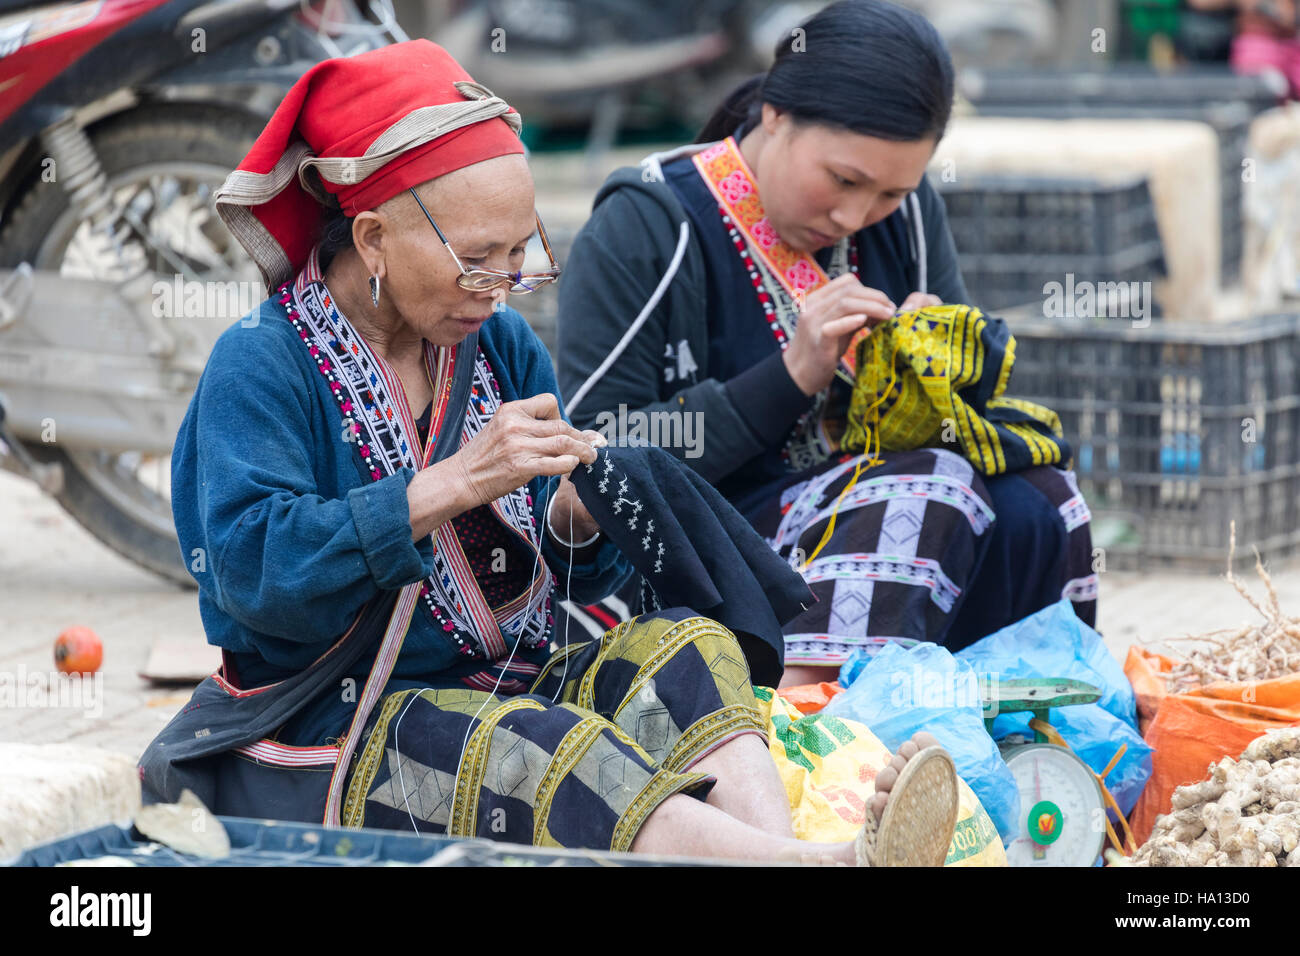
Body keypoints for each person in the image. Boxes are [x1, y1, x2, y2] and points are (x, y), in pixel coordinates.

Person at [143, 38, 959, 865]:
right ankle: (824, 866)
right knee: (546, 751)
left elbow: (566, 567)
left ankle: (776, 855)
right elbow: (250, 575)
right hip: (335, 722)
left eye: (516, 257)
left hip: (507, 683)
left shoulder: (496, 346)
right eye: (475, 261)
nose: (499, 289)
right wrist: (453, 483)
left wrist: (575, 517)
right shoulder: (262, 364)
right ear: (376, 236)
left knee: (685, 648)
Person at [555, 0, 1098, 687]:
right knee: (931, 483)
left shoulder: (911, 214)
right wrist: (788, 377)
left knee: (1038, 497)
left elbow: (966, 420)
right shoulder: (650, 224)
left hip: (899, 520)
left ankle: (1029, 722)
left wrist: (942, 359)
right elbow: (602, 456)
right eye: (843, 181)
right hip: (698, 560)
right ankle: (802, 734)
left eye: (888, 194)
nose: (855, 216)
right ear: (775, 116)